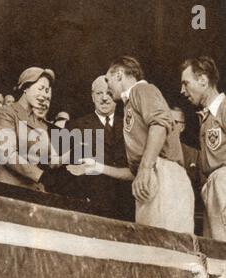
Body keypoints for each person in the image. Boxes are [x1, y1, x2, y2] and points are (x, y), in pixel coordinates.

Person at [72, 56, 194, 233]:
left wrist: (145, 169)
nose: (107, 87)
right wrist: (97, 167)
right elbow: (133, 172)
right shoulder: (130, 104)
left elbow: (160, 124)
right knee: (152, 249)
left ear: (119, 74)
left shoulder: (142, 90)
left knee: (169, 247)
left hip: (164, 176)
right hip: (150, 178)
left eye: (108, 80)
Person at [66, 76, 135, 220]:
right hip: (91, 209)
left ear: (116, 96)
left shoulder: (130, 126)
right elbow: (71, 172)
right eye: (99, 93)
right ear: (92, 97)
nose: (104, 98)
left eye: (109, 93)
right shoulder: (76, 126)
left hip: (127, 208)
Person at [180, 56, 226, 241]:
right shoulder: (206, 117)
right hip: (212, 187)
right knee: (216, 251)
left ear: (203, 81)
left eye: (186, 83)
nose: (182, 90)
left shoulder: (224, 108)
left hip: (223, 183)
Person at [0, 67, 56, 191]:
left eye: (47, 90)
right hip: (9, 187)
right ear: (26, 88)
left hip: (34, 188)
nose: (44, 95)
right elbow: (7, 154)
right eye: (40, 88)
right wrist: (40, 175)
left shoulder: (40, 122)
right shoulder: (7, 113)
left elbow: (47, 158)